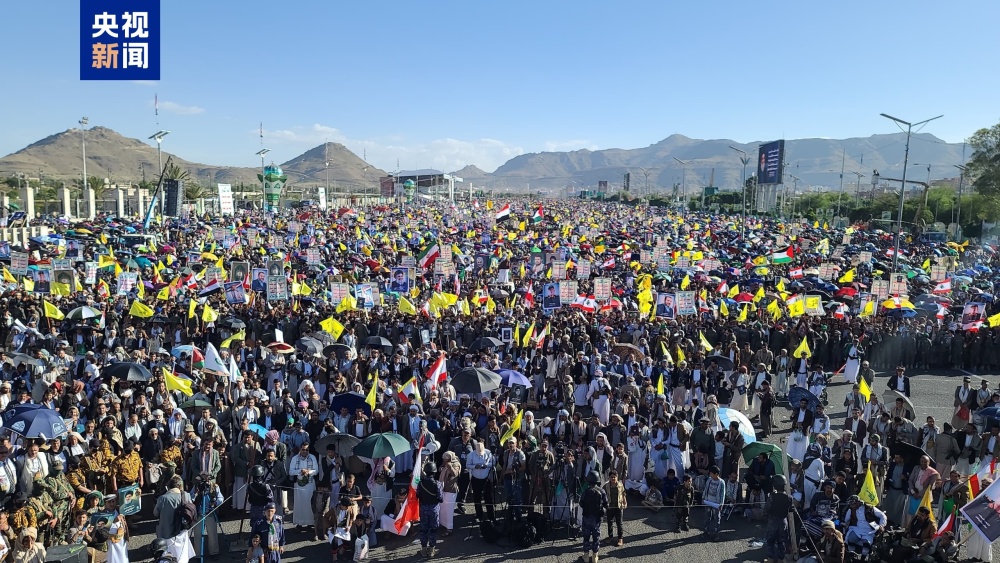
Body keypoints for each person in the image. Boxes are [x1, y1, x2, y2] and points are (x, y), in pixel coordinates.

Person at [579, 470, 607, 563]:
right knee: (596, 537)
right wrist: (602, 511)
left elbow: (581, 503)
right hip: (597, 518)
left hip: (586, 517)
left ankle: (586, 556)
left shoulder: (586, 491)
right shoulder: (602, 491)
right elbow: (606, 505)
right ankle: (595, 556)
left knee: (586, 537)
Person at [288, 442, 317, 531]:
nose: (305, 451)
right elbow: (291, 472)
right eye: (303, 449)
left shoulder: (313, 457)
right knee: (299, 504)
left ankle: (310, 523)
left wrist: (309, 472)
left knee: (309, 504)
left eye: (307, 450)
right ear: (300, 449)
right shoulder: (294, 458)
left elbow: (316, 470)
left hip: (310, 484)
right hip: (299, 485)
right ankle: (299, 524)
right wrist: (300, 471)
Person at [417, 461, 443, 558]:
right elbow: (441, 498)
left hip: (423, 508)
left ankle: (423, 550)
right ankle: (431, 550)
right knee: (433, 529)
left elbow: (417, 495)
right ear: (434, 472)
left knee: (423, 529)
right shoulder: (437, 484)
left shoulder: (420, 483)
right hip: (434, 509)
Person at [701, 465, 725, 540]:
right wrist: (703, 498)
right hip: (708, 501)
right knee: (707, 517)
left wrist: (721, 504)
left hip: (716, 504)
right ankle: (706, 531)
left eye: (711, 473)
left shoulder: (721, 482)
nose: (710, 475)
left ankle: (716, 532)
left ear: (716, 474)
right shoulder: (709, 480)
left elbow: (722, 494)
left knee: (716, 518)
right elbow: (706, 489)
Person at [603, 469, 626, 546]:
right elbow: (603, 495)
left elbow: (623, 493)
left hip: (619, 507)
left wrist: (625, 501)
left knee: (619, 524)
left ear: (617, 477)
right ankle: (610, 536)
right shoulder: (606, 486)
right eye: (611, 477)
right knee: (610, 522)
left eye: (615, 477)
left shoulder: (620, 485)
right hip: (610, 507)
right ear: (609, 478)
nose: (613, 479)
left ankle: (620, 538)